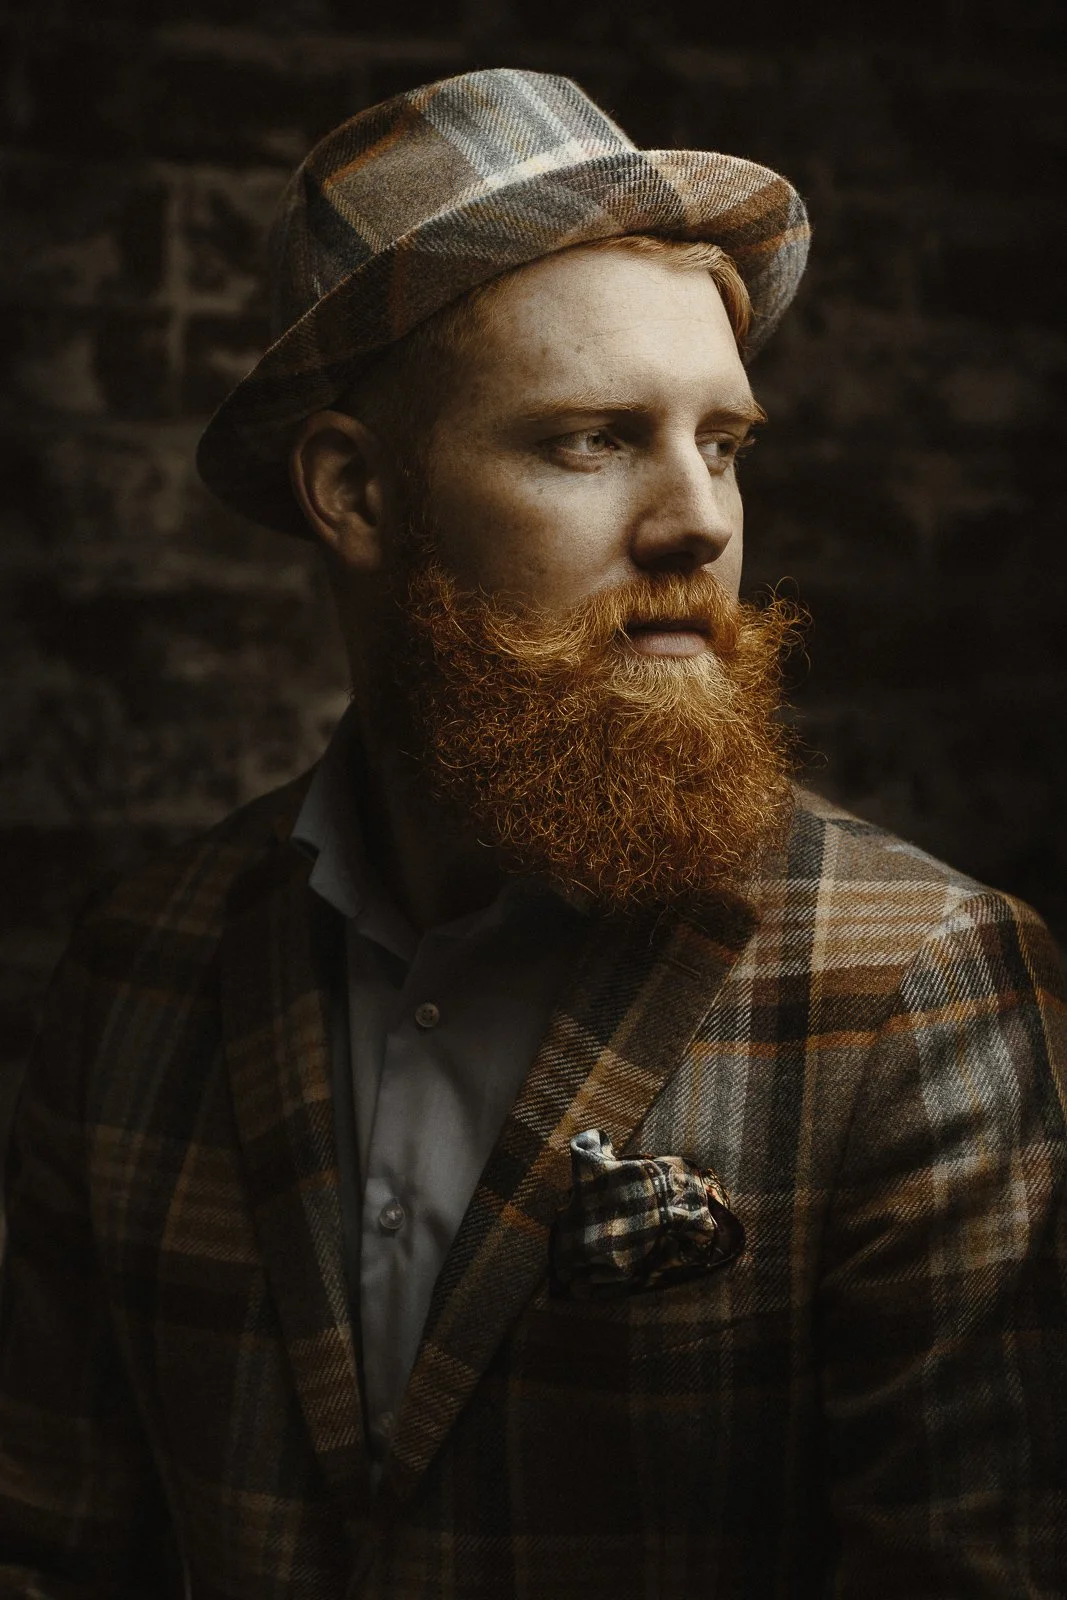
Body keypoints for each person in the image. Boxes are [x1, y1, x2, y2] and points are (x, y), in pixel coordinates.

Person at [0, 67, 1063, 1600]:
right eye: (590, 440)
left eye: (724, 443)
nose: (697, 521)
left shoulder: (918, 990)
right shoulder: (143, 971)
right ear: (357, 493)